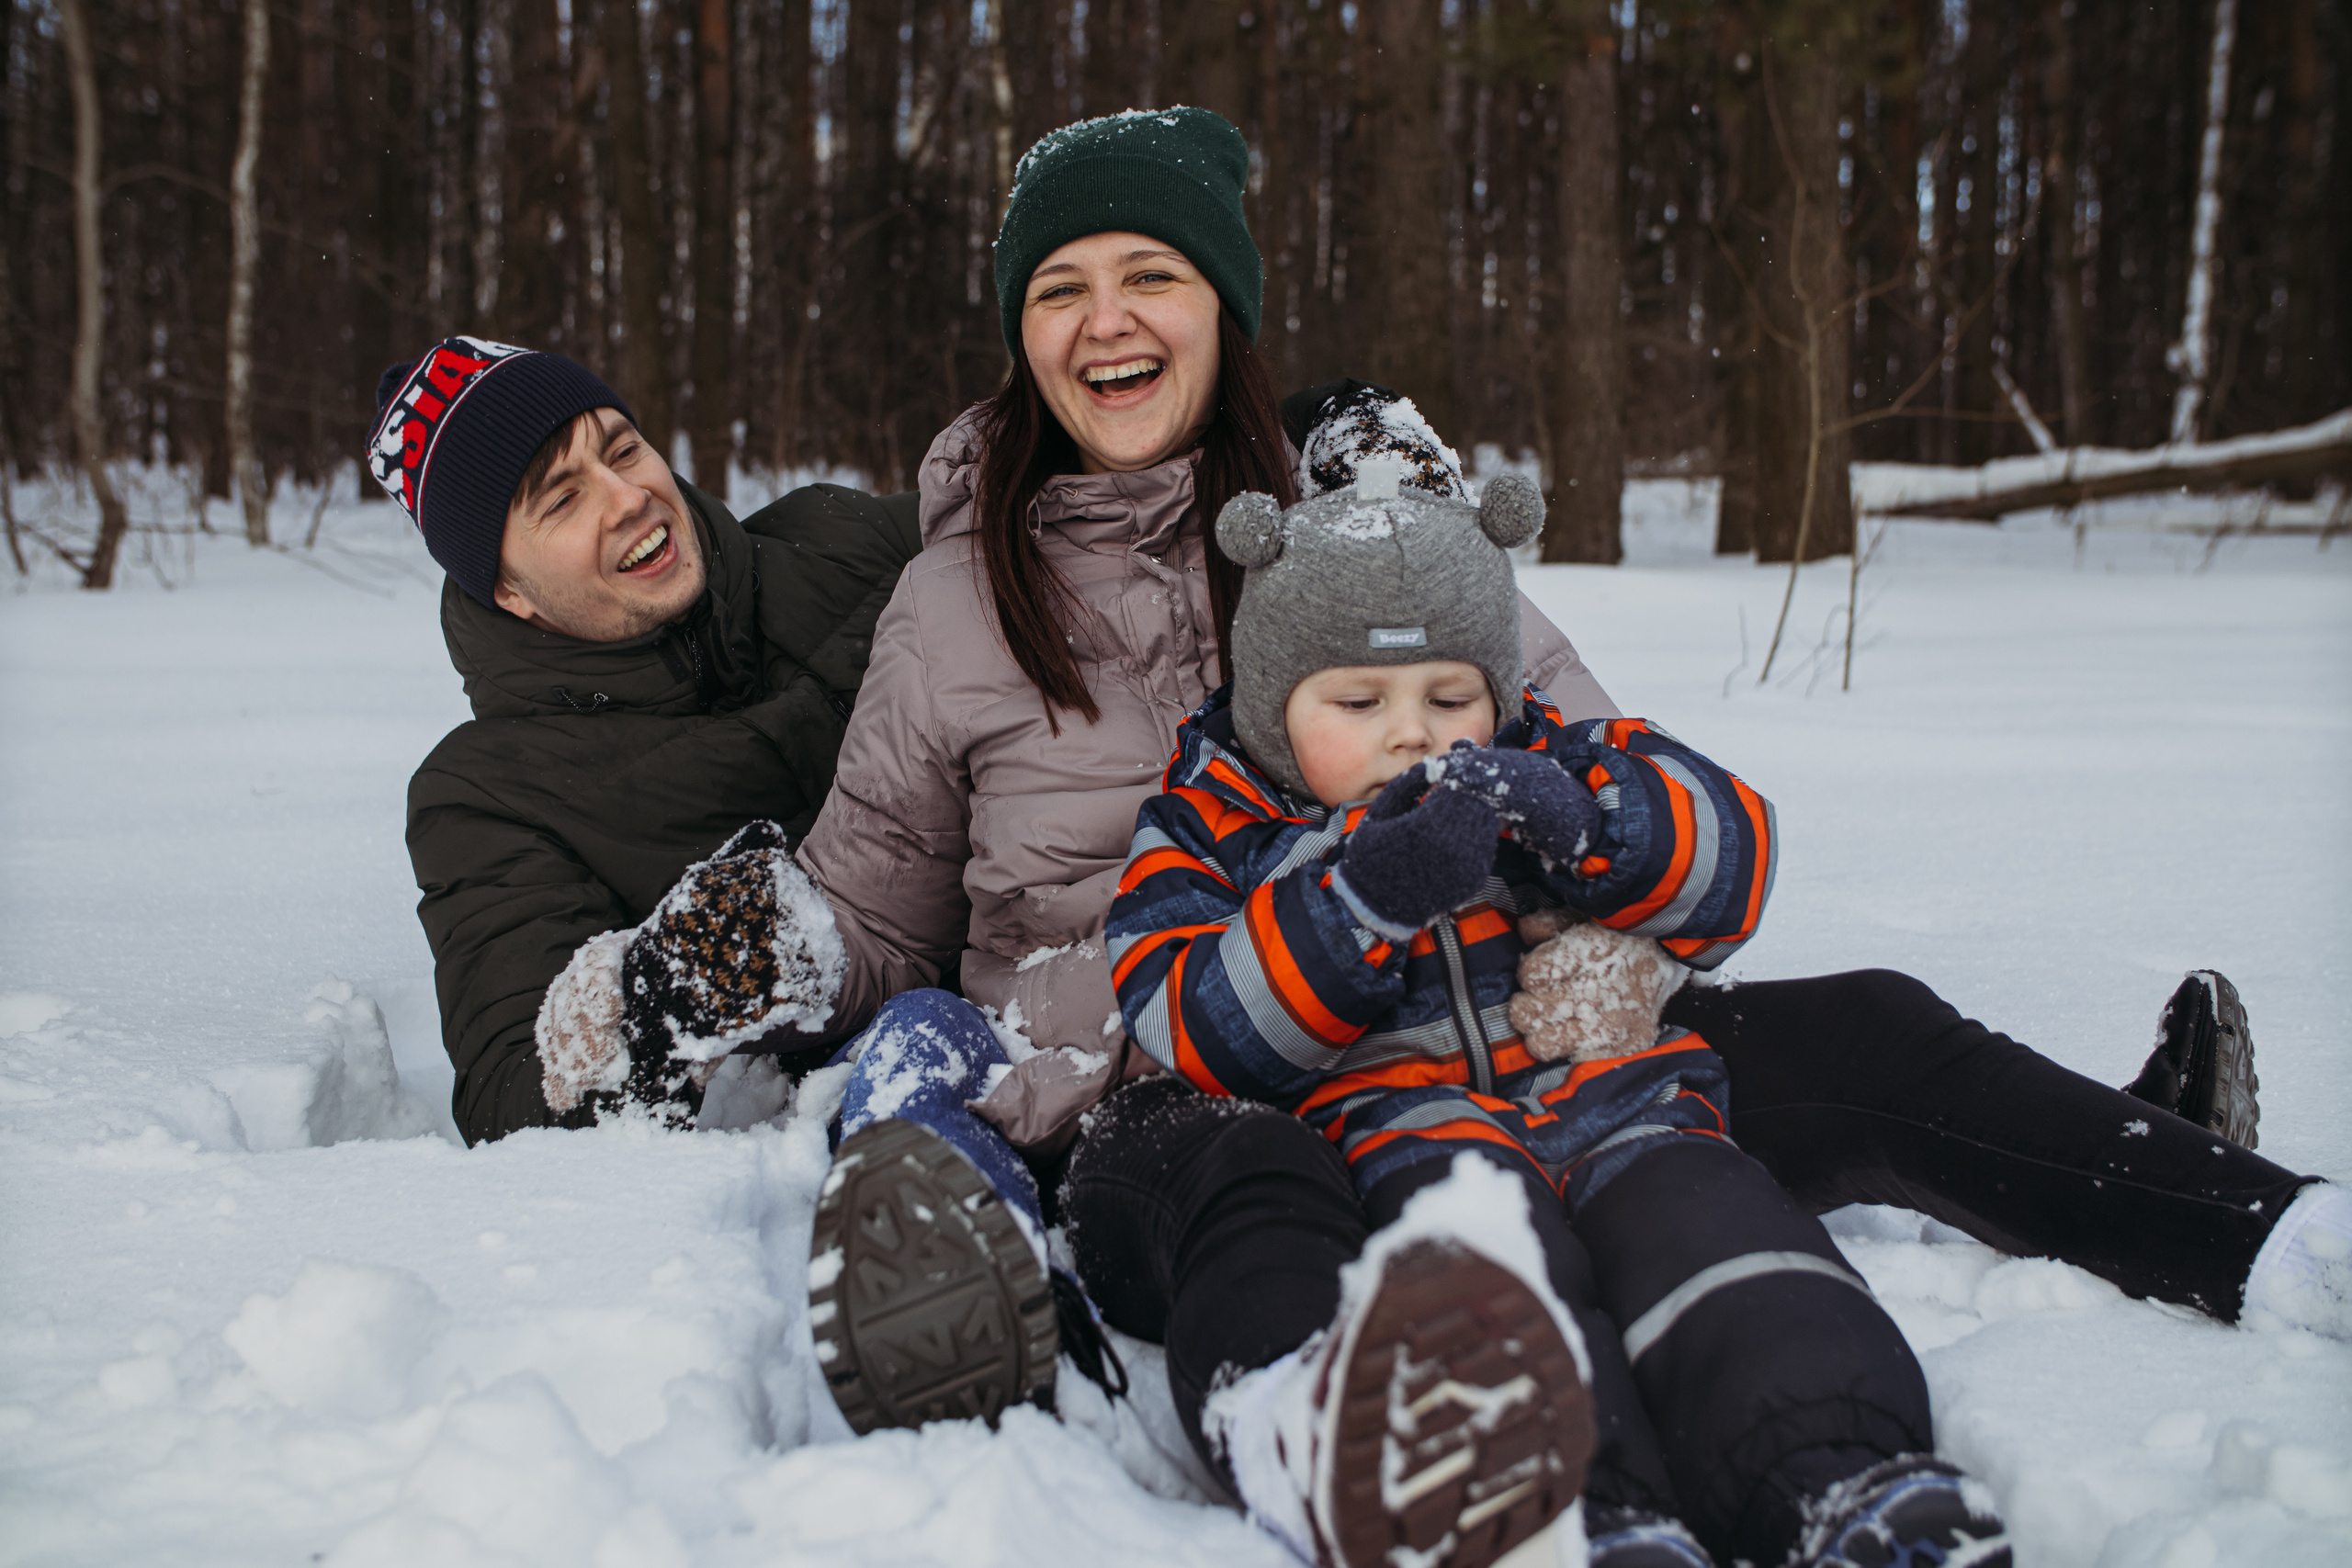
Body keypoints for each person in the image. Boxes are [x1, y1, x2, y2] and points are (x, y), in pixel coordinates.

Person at [760, 103, 2344, 1567]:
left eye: (1152, 274)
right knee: (1258, 1190)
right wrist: (758, 990)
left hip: (1502, 1024)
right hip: (1180, 1065)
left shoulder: (1368, 522)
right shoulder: (958, 595)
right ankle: (1439, 1457)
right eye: (1062, 287)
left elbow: (1591, 757)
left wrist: (1596, 921)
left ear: (1223, 308)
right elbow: (876, 919)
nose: (1107, 319)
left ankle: (2253, 1227)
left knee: (1871, 1031)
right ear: (1023, 332)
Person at [1104, 468, 2009, 1568]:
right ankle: (1588, 1522)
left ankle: (1840, 1475)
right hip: (1406, 1143)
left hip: (1622, 1103)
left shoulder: (1557, 759)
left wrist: (1591, 827)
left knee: (1724, 1243)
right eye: (1359, 704)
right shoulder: (1213, 825)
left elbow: (1736, 857)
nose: (1414, 738)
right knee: (1500, 1292)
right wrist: (1357, 900)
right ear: (1271, 705)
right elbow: (1191, 1019)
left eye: (1450, 699)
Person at [368, 338, 920, 1145]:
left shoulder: (837, 544)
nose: (627, 498)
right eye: (561, 499)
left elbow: (1064, 518)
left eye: (623, 449)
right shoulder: (489, 796)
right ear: (507, 590)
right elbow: (516, 1100)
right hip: (848, 1131)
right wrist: (671, 988)